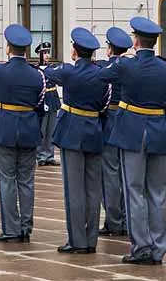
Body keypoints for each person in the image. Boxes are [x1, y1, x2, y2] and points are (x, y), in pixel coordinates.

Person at [97, 17, 166, 265]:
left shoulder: (125, 65)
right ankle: (158, 246)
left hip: (132, 131)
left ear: (135, 41)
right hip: (159, 131)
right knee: (157, 192)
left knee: (134, 191)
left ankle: (141, 245)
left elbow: (102, 76)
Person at [45, 28, 110, 254]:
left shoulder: (68, 72)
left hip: (72, 131)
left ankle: (77, 240)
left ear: (74, 50)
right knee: (93, 189)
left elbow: (48, 73)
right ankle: (91, 239)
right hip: (94, 130)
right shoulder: (102, 73)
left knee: (74, 189)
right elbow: (105, 102)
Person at [0, 24, 46, 242]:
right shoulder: (37, 75)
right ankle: (26, 227)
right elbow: (39, 102)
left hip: (5, 129)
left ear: (8, 48)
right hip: (28, 129)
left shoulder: (0, 70)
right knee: (26, 181)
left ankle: (11, 228)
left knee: (7, 180)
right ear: (26, 50)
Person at [97, 27, 131, 237]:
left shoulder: (109, 67)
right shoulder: (133, 65)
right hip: (128, 119)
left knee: (110, 174)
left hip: (110, 119)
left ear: (110, 49)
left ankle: (114, 220)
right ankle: (128, 220)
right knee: (128, 173)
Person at [36, 42, 60, 166]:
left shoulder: (52, 68)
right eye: (44, 53)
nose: (46, 55)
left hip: (53, 99)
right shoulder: (36, 69)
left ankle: (49, 155)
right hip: (43, 99)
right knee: (42, 129)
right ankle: (40, 155)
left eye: (47, 52)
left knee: (51, 129)